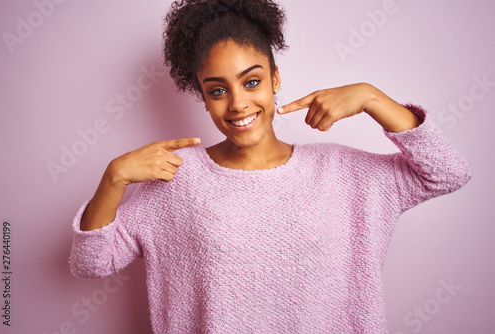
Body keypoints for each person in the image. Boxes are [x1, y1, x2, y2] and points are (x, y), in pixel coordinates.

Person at [69, 0, 472, 332]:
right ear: (203, 96)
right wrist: (114, 177)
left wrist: (373, 98)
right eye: (218, 90)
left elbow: (448, 173)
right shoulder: (176, 178)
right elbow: (91, 263)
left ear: (275, 78)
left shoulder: (341, 173)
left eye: (251, 81)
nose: (238, 104)